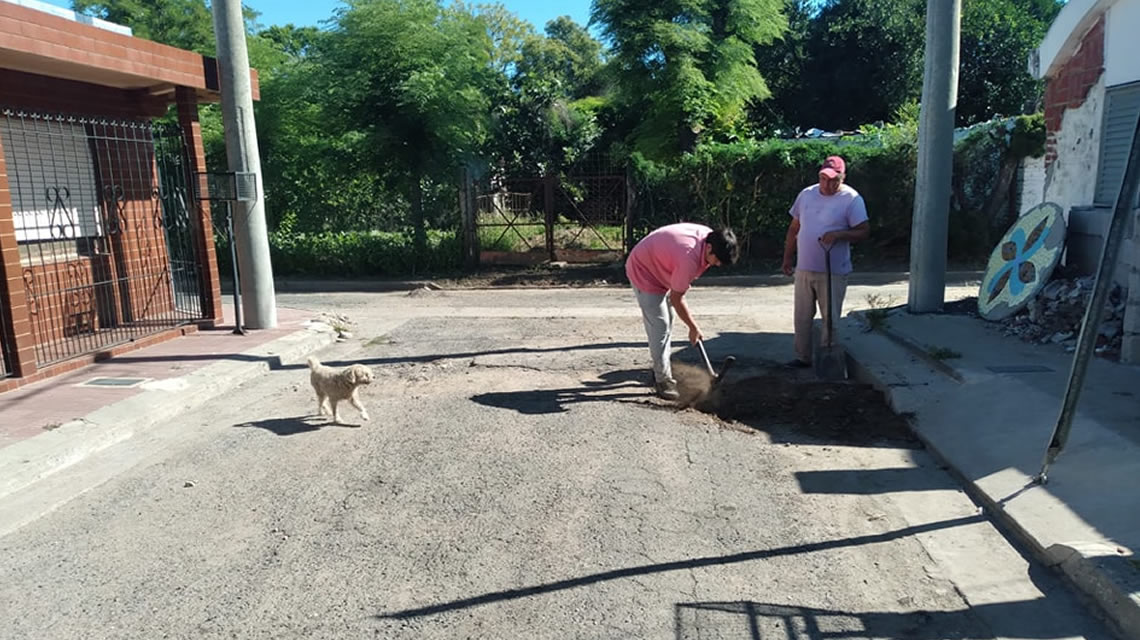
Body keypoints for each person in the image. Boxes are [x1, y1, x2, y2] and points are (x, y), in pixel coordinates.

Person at [626, 223, 739, 399]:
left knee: (668, 320)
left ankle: (660, 367)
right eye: (716, 260)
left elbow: (676, 293)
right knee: (660, 325)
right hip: (644, 270)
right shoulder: (689, 258)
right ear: (709, 248)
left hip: (661, 264)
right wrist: (693, 328)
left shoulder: (712, 240)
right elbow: (676, 299)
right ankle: (662, 380)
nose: (716, 265)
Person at [781, 155, 870, 368]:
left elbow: (864, 231)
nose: (827, 184)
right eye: (824, 178)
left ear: (843, 177)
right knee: (802, 316)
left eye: (833, 180)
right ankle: (802, 357)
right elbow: (794, 228)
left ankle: (827, 359)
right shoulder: (806, 195)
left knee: (829, 319)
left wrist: (839, 235)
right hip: (805, 267)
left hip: (833, 270)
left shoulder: (852, 199)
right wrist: (787, 257)